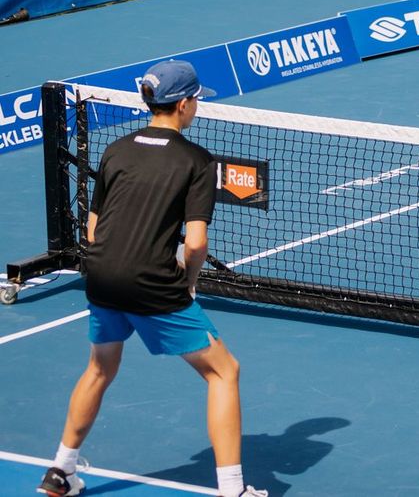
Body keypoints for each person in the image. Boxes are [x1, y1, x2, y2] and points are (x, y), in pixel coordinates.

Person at [37, 61, 265, 497]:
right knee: (224, 373)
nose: (196, 106)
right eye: (195, 100)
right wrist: (189, 281)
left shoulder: (116, 149)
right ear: (183, 104)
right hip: (152, 284)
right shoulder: (198, 161)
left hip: (101, 275)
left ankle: (60, 471)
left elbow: (92, 229)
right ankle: (233, 490)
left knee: (100, 368)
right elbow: (195, 244)